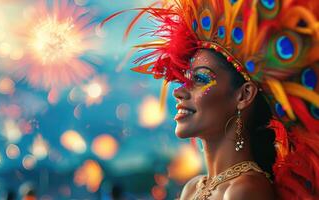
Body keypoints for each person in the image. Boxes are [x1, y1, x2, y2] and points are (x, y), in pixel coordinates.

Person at [104, 0, 319, 199]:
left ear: (244, 95)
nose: (179, 92)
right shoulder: (192, 188)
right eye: (184, 79)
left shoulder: (246, 189)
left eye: (200, 79)